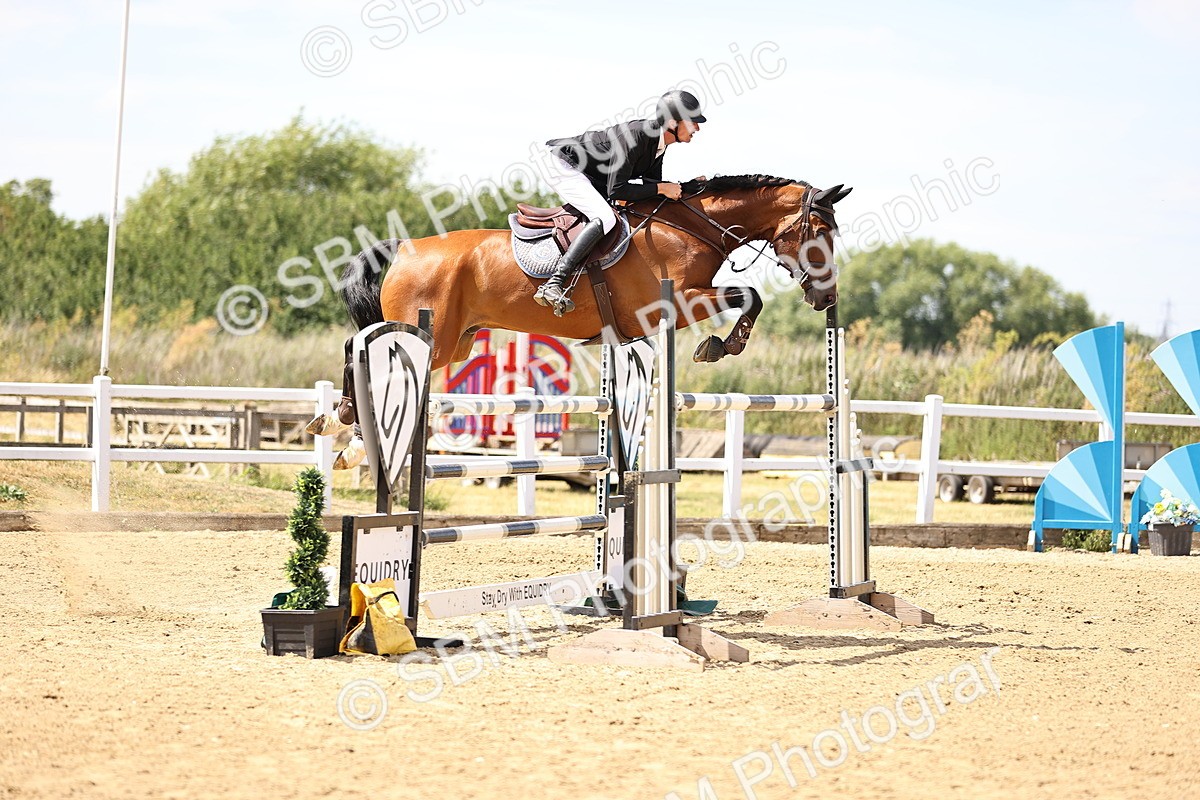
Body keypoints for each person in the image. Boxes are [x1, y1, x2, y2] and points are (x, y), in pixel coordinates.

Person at [533, 89, 707, 315]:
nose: (698, 128)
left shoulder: (658, 145)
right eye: (693, 122)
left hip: (592, 173)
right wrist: (663, 188)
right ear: (673, 122)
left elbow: (653, 190)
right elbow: (618, 190)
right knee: (605, 217)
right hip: (563, 165)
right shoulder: (636, 137)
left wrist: (688, 187)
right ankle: (554, 283)